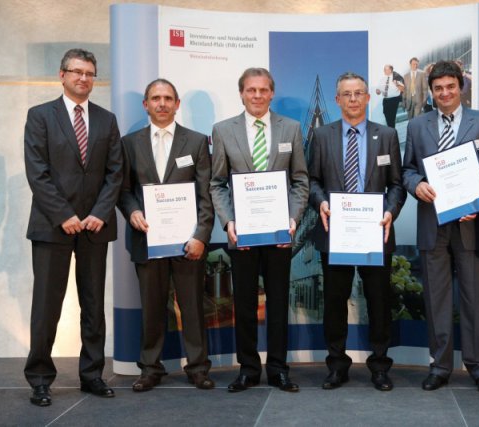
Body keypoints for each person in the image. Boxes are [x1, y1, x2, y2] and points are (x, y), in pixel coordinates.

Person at [23, 48, 122, 406]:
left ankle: (92, 374)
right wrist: (64, 215)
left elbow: (115, 172)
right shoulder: (40, 116)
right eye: (77, 72)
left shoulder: (106, 119)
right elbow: (38, 172)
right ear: (62, 75)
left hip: (95, 226)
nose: (84, 78)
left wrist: (99, 212)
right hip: (53, 226)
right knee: (47, 305)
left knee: (93, 304)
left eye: (90, 73)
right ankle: (39, 378)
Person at [402, 60, 479, 394]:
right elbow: (407, 171)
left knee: (476, 298)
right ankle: (440, 365)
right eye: (438, 88)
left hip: (473, 224)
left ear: (462, 87)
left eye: (450, 87)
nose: (445, 93)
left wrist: (477, 196)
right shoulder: (417, 126)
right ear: (431, 91)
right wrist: (417, 186)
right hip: (433, 225)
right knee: (436, 299)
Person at [211, 67, 308, 393]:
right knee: (245, 305)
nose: (257, 96)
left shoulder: (290, 128)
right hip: (244, 234)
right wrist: (229, 222)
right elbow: (217, 183)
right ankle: (248, 370)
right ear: (242, 93)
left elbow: (300, 180)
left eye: (263, 90)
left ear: (271, 93)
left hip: (280, 234)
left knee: (279, 304)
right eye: (251, 90)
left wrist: (292, 219)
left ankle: (278, 370)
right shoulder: (223, 130)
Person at [309, 72, 405, 391]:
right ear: (337, 100)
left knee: (378, 302)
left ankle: (379, 365)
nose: (353, 99)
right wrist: (321, 203)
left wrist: (390, 211)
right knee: (335, 302)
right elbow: (311, 181)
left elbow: (396, 184)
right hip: (335, 234)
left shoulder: (387, 135)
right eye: (346, 94)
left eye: (358, 93)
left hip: (375, 234)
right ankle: (337, 365)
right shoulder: (322, 136)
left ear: (368, 98)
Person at [117, 79, 214, 392]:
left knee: (193, 307)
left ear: (177, 104)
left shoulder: (197, 142)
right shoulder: (129, 143)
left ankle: (198, 368)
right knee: (152, 306)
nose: (162, 103)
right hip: (147, 239)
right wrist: (131, 211)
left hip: (188, 241)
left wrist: (201, 234)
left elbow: (206, 194)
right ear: (146, 105)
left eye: (168, 98)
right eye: (155, 98)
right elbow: (124, 189)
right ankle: (150, 368)